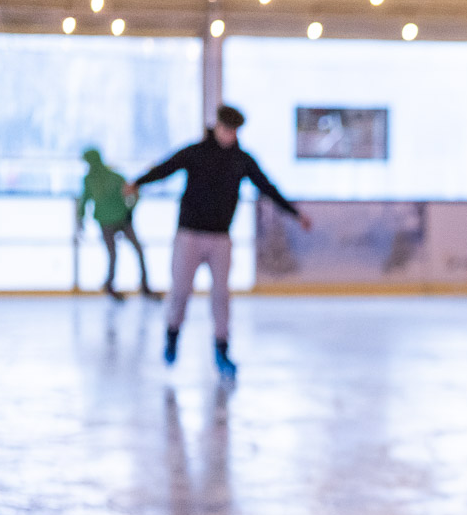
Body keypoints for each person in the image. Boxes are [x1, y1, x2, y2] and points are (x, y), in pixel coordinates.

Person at [129, 104, 310, 377]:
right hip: (189, 235)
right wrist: (137, 182)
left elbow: (266, 186)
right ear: (217, 127)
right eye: (226, 129)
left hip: (220, 238)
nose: (229, 135)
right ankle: (172, 336)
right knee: (180, 292)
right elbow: (166, 167)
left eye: (234, 131)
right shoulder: (196, 152)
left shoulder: (241, 160)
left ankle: (222, 349)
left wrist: (295, 213)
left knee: (221, 296)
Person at [77, 147, 156, 301]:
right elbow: (85, 200)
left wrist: (130, 211)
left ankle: (142, 286)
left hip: (122, 220)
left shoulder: (114, 177)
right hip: (110, 221)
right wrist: (80, 219)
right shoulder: (95, 179)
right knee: (118, 253)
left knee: (129, 251)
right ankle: (111, 286)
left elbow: (133, 192)